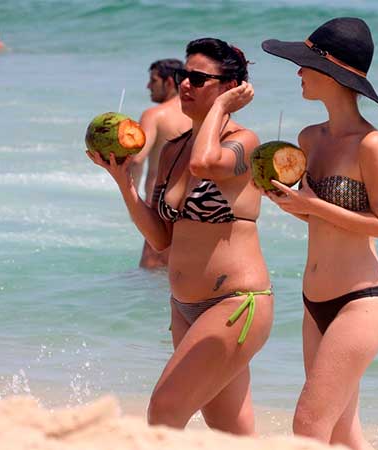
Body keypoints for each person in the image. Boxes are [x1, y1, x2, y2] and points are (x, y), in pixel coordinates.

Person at [87, 38, 273, 435]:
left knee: (163, 411)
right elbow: (160, 238)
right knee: (230, 429)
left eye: (198, 78)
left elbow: (206, 164)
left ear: (230, 87)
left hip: (236, 304)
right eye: (184, 75)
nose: (184, 84)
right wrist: (124, 184)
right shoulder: (172, 150)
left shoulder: (244, 142)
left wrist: (221, 109)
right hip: (184, 308)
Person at [262, 17, 378, 450]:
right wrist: (290, 205)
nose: (298, 72)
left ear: (331, 74)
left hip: (360, 302)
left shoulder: (370, 144)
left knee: (307, 425)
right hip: (313, 302)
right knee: (341, 431)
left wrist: (312, 205)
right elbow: (318, 218)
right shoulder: (308, 138)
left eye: (305, 64)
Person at [132, 59, 191, 269]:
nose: (148, 86)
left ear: (168, 82)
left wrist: (135, 199)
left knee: (152, 269)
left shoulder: (154, 115)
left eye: (153, 80)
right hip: (193, 206)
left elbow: (137, 158)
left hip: (160, 206)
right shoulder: (199, 114)